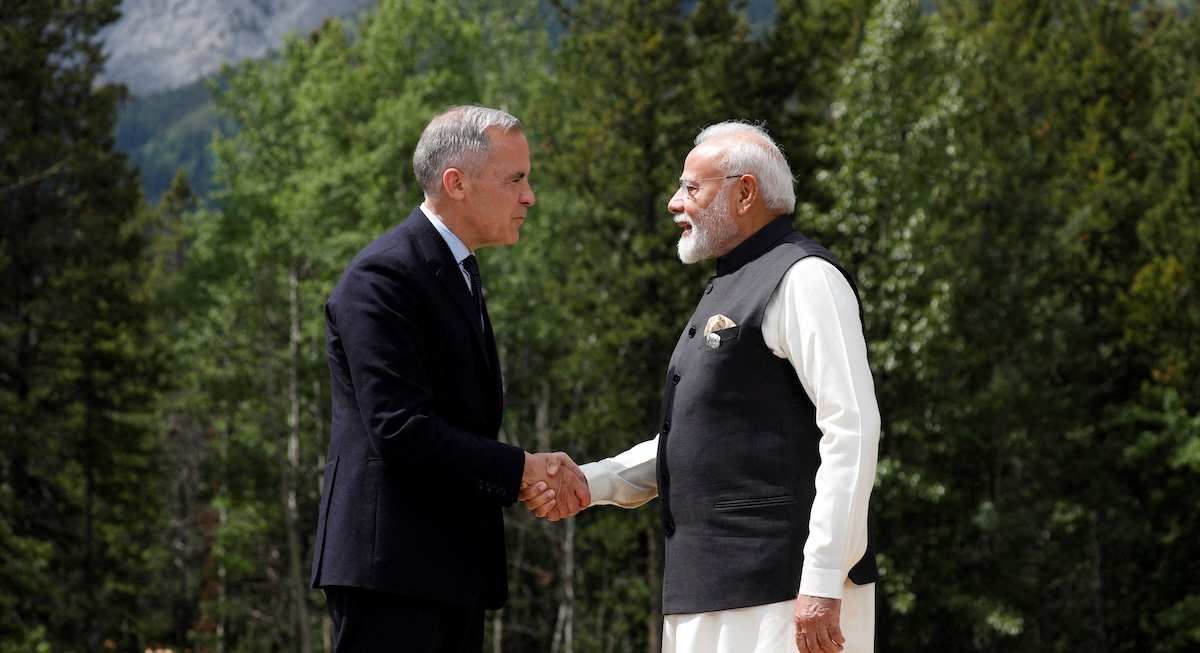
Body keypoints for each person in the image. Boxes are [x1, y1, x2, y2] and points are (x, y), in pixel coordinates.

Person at [522, 122, 881, 653]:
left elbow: (852, 429)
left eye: (692, 188)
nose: (674, 203)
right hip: (707, 598)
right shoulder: (732, 284)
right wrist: (590, 484)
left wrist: (824, 579)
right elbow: (697, 443)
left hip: (784, 600)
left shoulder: (805, 278)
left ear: (744, 193)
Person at [310, 105, 591, 653]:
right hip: (391, 573)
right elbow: (399, 427)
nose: (529, 196)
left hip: (445, 569)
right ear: (455, 183)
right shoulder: (384, 276)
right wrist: (522, 469)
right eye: (515, 179)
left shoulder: (453, 268)